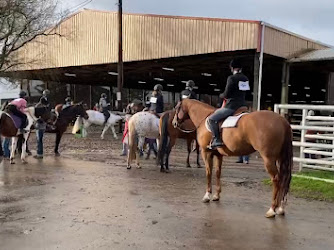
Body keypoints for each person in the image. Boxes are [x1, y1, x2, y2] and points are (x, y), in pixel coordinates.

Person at [207, 59, 250, 149]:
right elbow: (245, 92)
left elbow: (227, 94)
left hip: (232, 106)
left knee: (212, 119)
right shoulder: (245, 78)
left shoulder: (232, 78)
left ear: (232, 68)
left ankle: (216, 140)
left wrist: (221, 95)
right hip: (242, 106)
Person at [33, 89, 51, 159]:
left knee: (39, 140)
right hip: (43, 124)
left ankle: (39, 154)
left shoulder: (40, 107)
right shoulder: (47, 107)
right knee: (40, 139)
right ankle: (39, 153)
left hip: (40, 125)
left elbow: (36, 115)